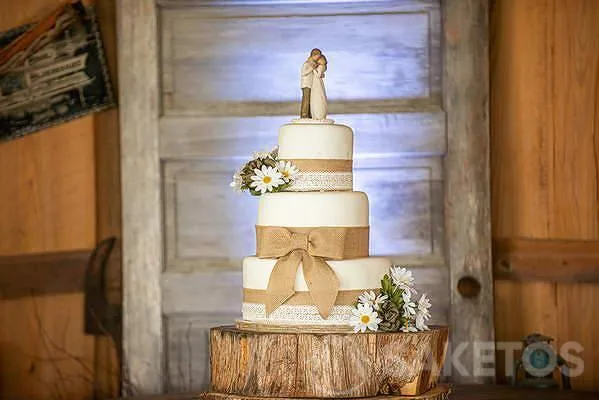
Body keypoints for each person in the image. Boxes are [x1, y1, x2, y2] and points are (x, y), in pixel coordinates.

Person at [300, 48, 322, 119]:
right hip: (306, 84)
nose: (318, 58)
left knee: (309, 100)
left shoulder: (312, 64)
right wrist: (312, 69)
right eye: (317, 56)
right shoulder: (306, 64)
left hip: (310, 84)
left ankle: (308, 114)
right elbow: (303, 73)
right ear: (314, 55)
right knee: (306, 100)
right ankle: (304, 115)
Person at [310, 54, 327, 120]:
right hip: (316, 82)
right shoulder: (321, 66)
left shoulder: (321, 66)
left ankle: (319, 114)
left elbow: (318, 75)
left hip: (317, 83)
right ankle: (316, 114)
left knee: (318, 97)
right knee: (316, 97)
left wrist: (313, 69)